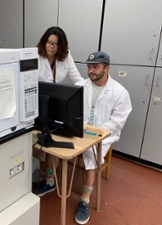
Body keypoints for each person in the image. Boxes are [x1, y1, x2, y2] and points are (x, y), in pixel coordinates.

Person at [73, 51, 132, 224]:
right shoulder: (81, 85)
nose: (91, 71)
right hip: (79, 129)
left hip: (103, 135)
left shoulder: (120, 92)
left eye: (96, 67)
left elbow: (118, 121)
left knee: (91, 156)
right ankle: (49, 180)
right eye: (89, 67)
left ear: (107, 68)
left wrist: (95, 132)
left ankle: (85, 199)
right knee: (56, 143)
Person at [34, 26, 84, 196]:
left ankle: (49, 181)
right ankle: (34, 170)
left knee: (54, 138)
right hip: (37, 102)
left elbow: (77, 79)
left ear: (61, 46)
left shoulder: (66, 56)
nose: (52, 46)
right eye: (49, 42)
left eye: (56, 44)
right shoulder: (35, 55)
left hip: (57, 105)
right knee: (33, 137)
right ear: (44, 41)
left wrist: (88, 93)